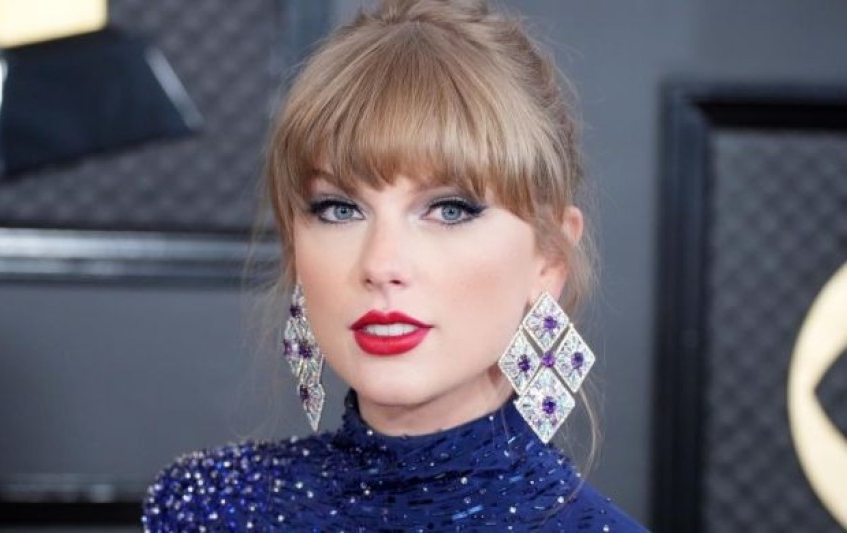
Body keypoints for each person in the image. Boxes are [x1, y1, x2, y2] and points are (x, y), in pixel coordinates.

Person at [142, 0, 646, 530]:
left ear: (550, 257)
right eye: (339, 209)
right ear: (293, 242)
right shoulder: (202, 508)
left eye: (450, 209)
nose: (381, 264)